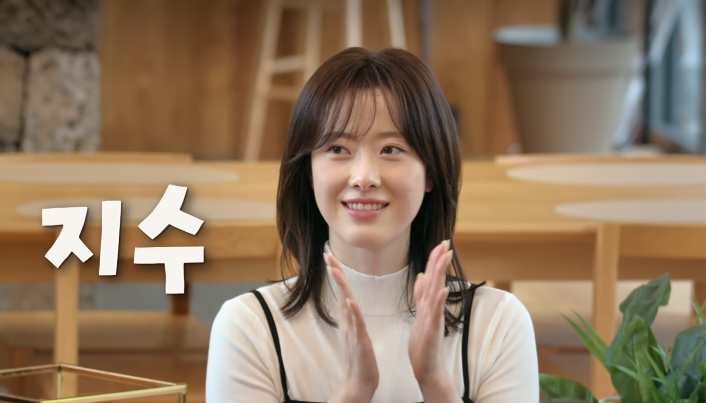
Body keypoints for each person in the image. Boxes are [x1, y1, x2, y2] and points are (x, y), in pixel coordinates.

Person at [206, 47, 538, 403]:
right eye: (337, 148)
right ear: (309, 172)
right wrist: (355, 391)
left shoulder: (497, 324)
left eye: (391, 149)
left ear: (431, 172)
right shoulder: (250, 328)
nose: (364, 177)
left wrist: (434, 382)